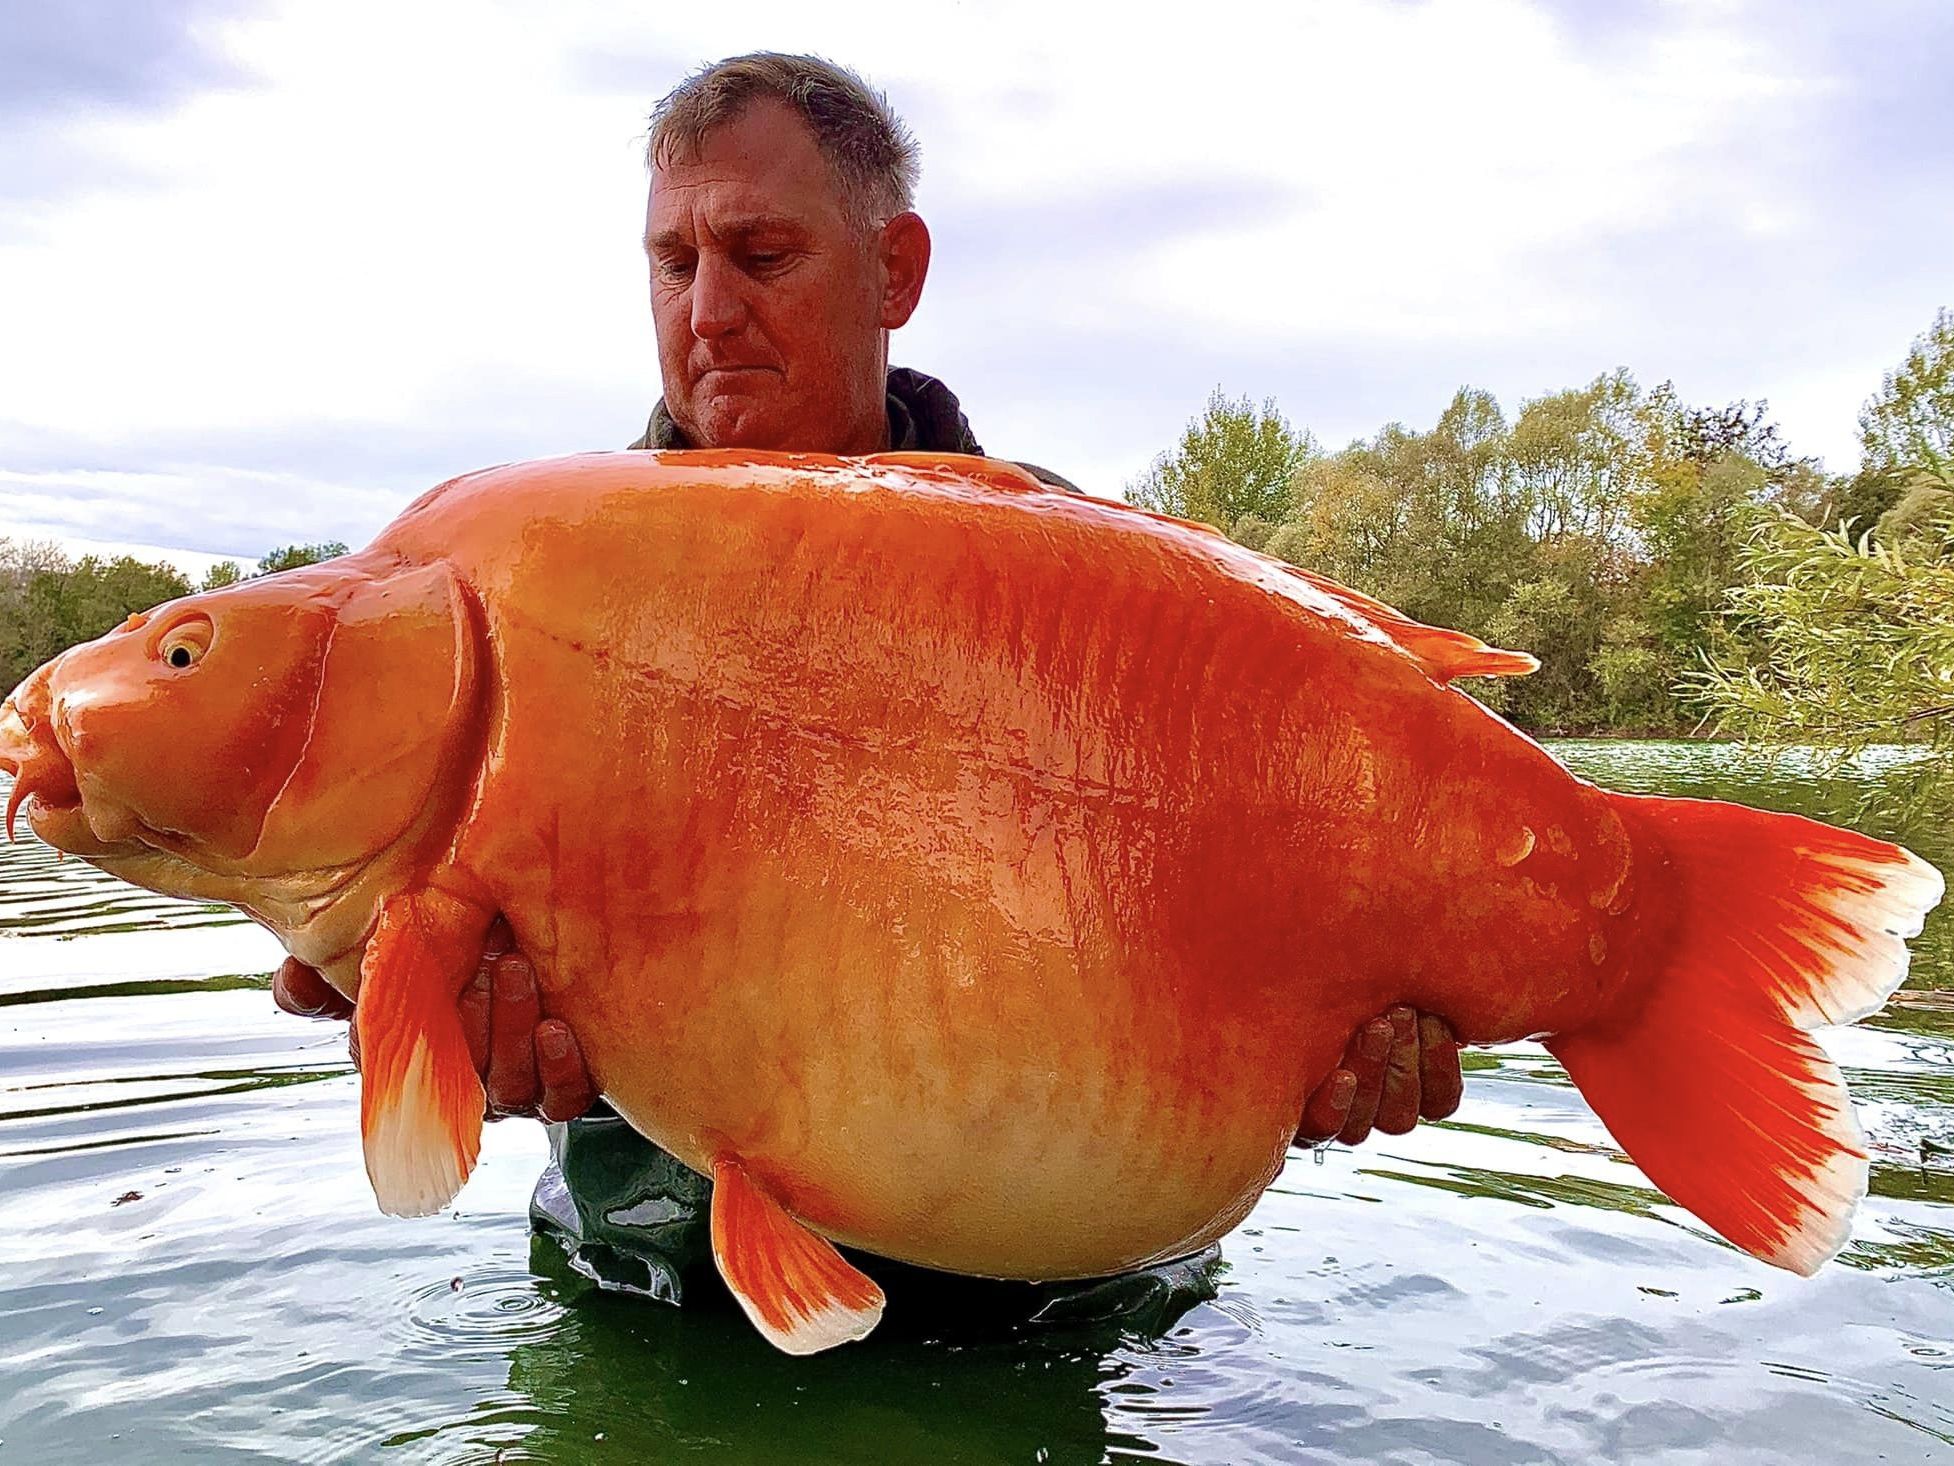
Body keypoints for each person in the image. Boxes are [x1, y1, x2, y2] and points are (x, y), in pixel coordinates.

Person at [274, 51, 1464, 1323]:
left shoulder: (1099, 584)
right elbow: (373, 942)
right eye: (674, 263)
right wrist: (416, 1018)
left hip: (1047, 1312)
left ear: (895, 269)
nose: (709, 310)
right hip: (648, 1286)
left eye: (762, 255)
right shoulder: (521, 594)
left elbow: (1268, 926)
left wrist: (1344, 1046)